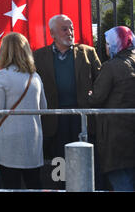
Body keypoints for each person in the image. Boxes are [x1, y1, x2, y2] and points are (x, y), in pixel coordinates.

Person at [33, 14, 101, 188]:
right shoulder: (39, 56)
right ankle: (60, 188)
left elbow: (100, 80)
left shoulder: (88, 52)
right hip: (55, 119)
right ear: (52, 33)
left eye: (71, 28)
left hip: (82, 118)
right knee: (59, 162)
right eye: (65, 29)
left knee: (84, 162)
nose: (70, 32)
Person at [0, 32, 47, 190]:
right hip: (32, 139)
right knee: (34, 184)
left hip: (9, 141)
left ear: (4, 51)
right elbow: (44, 109)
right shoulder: (35, 77)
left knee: (10, 185)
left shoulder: (2, 76)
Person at [87, 26, 135, 191]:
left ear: (116, 44)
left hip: (117, 136)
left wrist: (91, 93)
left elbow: (96, 99)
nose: (106, 47)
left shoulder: (111, 67)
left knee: (122, 183)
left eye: (108, 43)